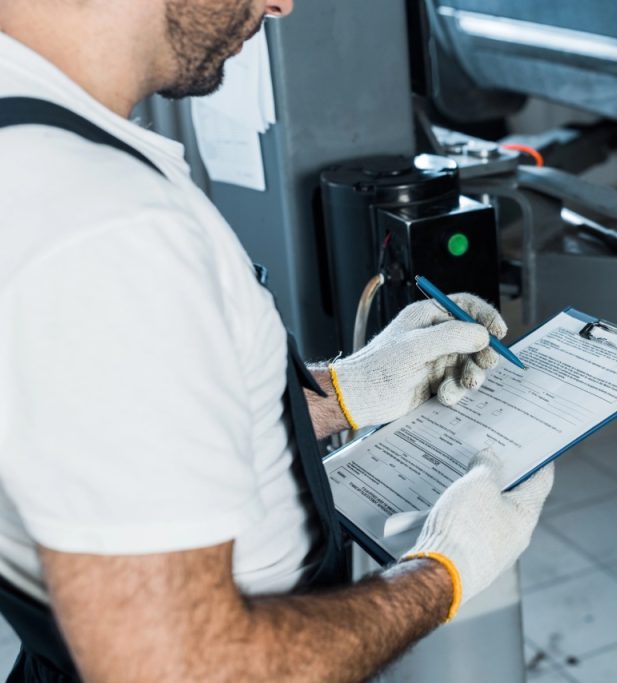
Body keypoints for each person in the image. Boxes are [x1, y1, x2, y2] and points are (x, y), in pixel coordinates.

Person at [0, 1, 553, 681]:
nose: (283, 4)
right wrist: (441, 571)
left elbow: (71, 434)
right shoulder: (108, 227)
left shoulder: (32, 137)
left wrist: (337, 394)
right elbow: (185, 668)